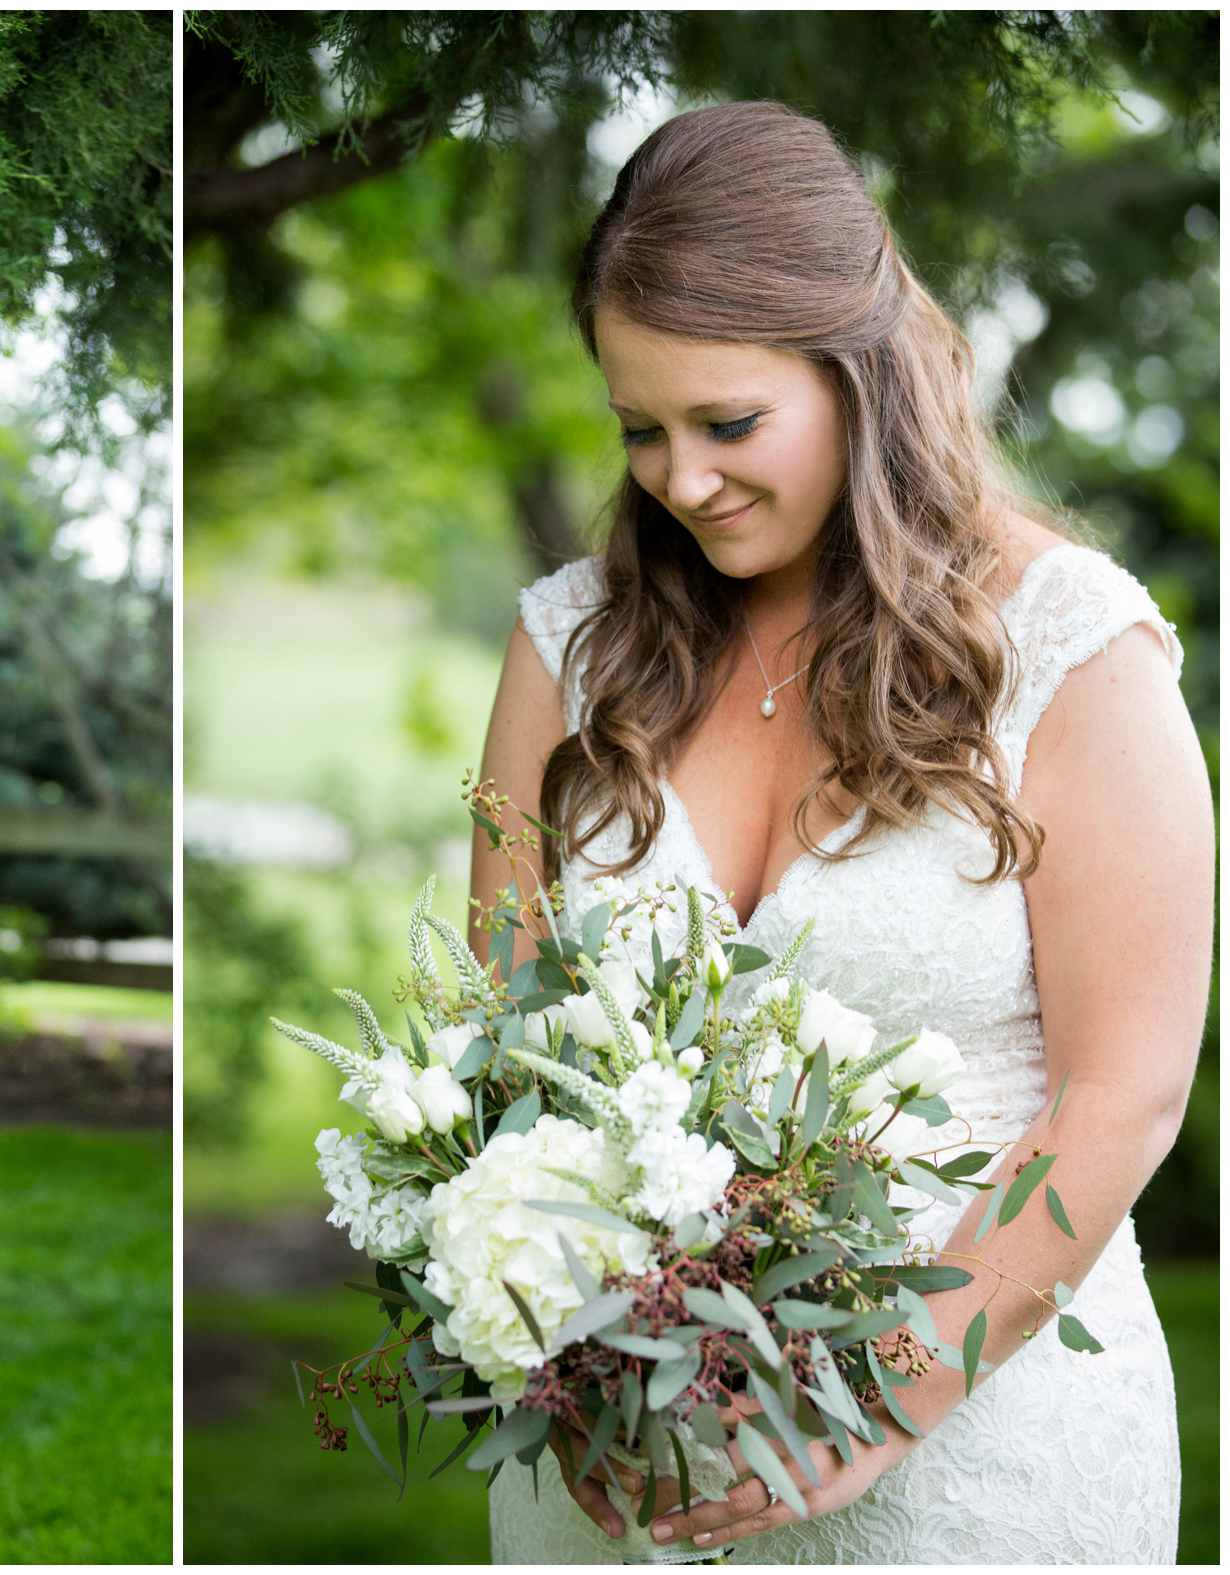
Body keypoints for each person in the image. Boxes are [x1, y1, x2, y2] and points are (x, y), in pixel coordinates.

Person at [475, 102, 1208, 1563]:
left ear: (857, 371)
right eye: (640, 428)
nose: (680, 479)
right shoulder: (570, 648)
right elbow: (505, 1038)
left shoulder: (1073, 648)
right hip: (616, 1473)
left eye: (727, 421)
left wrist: (869, 1400)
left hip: (977, 1456)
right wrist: (564, 1374)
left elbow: (1120, 1092)